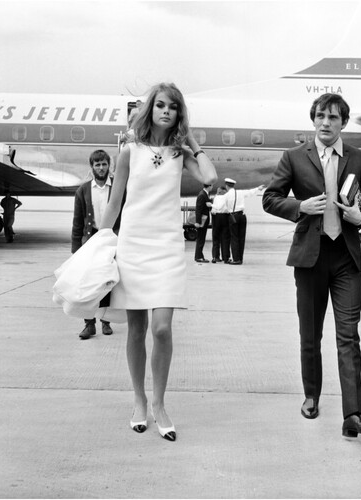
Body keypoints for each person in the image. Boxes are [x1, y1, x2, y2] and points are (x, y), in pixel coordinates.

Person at [99, 82, 217, 441]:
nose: (166, 111)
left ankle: (160, 403)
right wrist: (102, 245)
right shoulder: (129, 151)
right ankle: (138, 400)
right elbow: (115, 203)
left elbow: (210, 178)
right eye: (161, 105)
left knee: (162, 328)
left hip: (166, 247)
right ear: (150, 109)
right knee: (135, 329)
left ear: (180, 114)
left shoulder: (181, 155)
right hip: (133, 246)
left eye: (174, 107)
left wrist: (192, 141)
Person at [262, 93, 361, 438]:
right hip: (310, 257)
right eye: (319, 116)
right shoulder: (295, 158)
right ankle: (311, 395)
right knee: (310, 334)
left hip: (346, 257)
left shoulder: (360, 158)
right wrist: (300, 207)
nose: (325, 123)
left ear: (344, 122)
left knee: (348, 335)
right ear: (313, 120)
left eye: (332, 117)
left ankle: (354, 414)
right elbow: (271, 198)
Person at [71, 149, 121, 340]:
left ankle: (105, 321)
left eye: (104, 164)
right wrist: (75, 250)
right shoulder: (83, 190)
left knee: (107, 282)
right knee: (88, 284)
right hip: (89, 242)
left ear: (109, 166)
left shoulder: (118, 187)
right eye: (97, 165)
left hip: (111, 240)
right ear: (92, 167)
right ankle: (88, 324)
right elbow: (77, 222)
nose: (101, 168)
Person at [223, 178, 265, 265]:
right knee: (241, 238)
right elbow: (250, 192)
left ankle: (236, 259)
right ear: (233, 185)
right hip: (242, 216)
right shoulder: (240, 192)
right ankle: (240, 258)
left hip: (233, 216)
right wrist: (258, 188)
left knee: (234, 238)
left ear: (226, 186)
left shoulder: (226, 195)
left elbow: (223, 207)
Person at [210, 186, 230, 263]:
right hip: (224, 217)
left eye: (218, 191)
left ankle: (215, 256)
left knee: (215, 238)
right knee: (225, 238)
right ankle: (226, 257)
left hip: (216, 217)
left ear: (222, 191)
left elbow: (214, 209)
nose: (217, 192)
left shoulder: (215, 197)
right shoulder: (226, 197)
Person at [194, 183, 213, 263]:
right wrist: (197, 222)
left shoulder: (205, 194)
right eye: (212, 186)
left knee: (202, 239)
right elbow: (198, 209)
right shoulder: (202, 195)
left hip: (204, 220)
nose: (212, 187)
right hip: (202, 221)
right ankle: (198, 257)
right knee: (200, 239)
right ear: (209, 186)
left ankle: (200, 256)